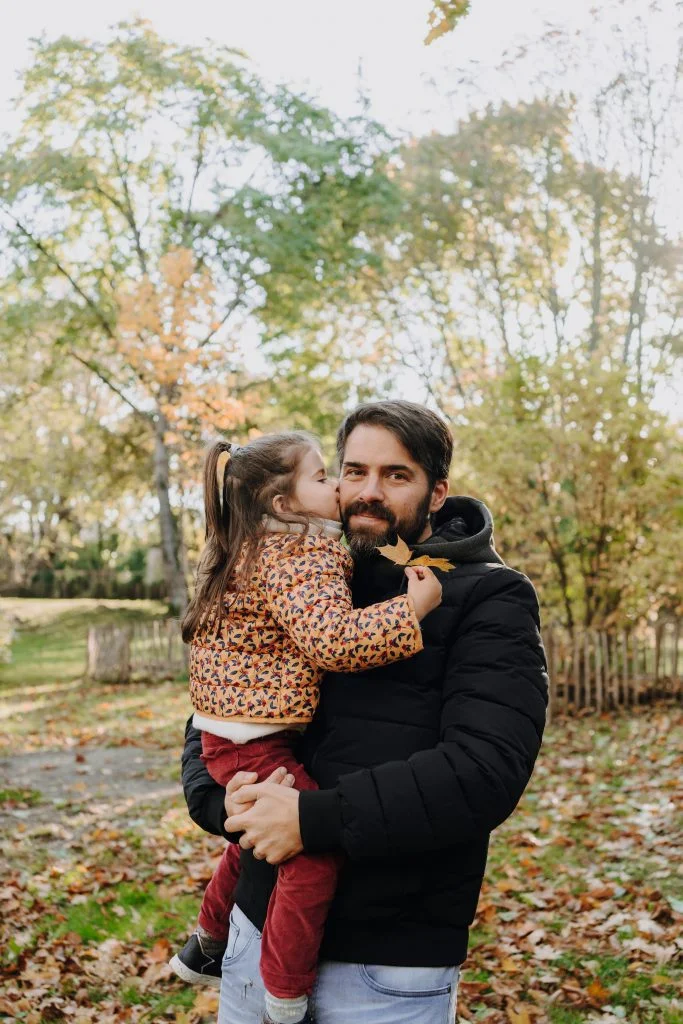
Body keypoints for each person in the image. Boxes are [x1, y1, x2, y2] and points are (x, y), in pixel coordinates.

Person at [182, 401, 549, 1024]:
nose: (368, 491)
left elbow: (485, 771)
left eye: (396, 475)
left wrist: (312, 821)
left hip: (386, 965)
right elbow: (218, 705)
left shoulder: (490, 596)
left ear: (437, 493)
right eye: (353, 471)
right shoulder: (305, 567)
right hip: (255, 935)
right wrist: (226, 805)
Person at [170, 431, 442, 1024]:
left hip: (230, 731)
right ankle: (285, 996)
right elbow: (334, 641)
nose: (340, 487)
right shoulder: (296, 555)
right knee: (310, 860)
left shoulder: (247, 546)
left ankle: (207, 941)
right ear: (283, 503)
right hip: (253, 737)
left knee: (250, 839)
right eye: (324, 476)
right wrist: (411, 610)